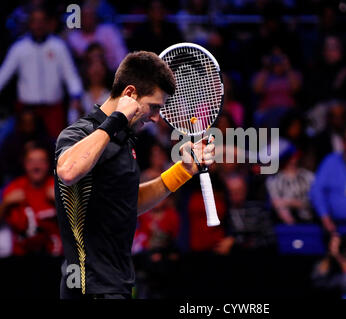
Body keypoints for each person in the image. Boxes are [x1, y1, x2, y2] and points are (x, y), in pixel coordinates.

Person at [54, 51, 215, 299]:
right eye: (153, 107)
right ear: (129, 94)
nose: (155, 117)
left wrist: (182, 171)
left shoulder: (124, 140)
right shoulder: (80, 133)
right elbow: (68, 171)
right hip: (89, 288)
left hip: (116, 284)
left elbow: (129, 203)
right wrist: (116, 119)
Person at [0, 7, 83, 139]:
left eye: (41, 21)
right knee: (26, 149)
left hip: (53, 109)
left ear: (47, 23)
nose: (38, 25)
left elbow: (71, 75)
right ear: (29, 23)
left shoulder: (58, 46)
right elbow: (3, 75)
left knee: (56, 147)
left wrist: (76, 96)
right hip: (27, 109)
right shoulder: (19, 47)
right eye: (34, 21)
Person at [0, 143, 61, 256]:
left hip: (55, 257)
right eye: (31, 161)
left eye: (41, 161)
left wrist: (60, 201)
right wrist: (5, 203)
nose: (36, 166)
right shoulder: (14, 188)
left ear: (48, 164)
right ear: (24, 164)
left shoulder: (57, 187)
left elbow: (79, 224)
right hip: (21, 258)